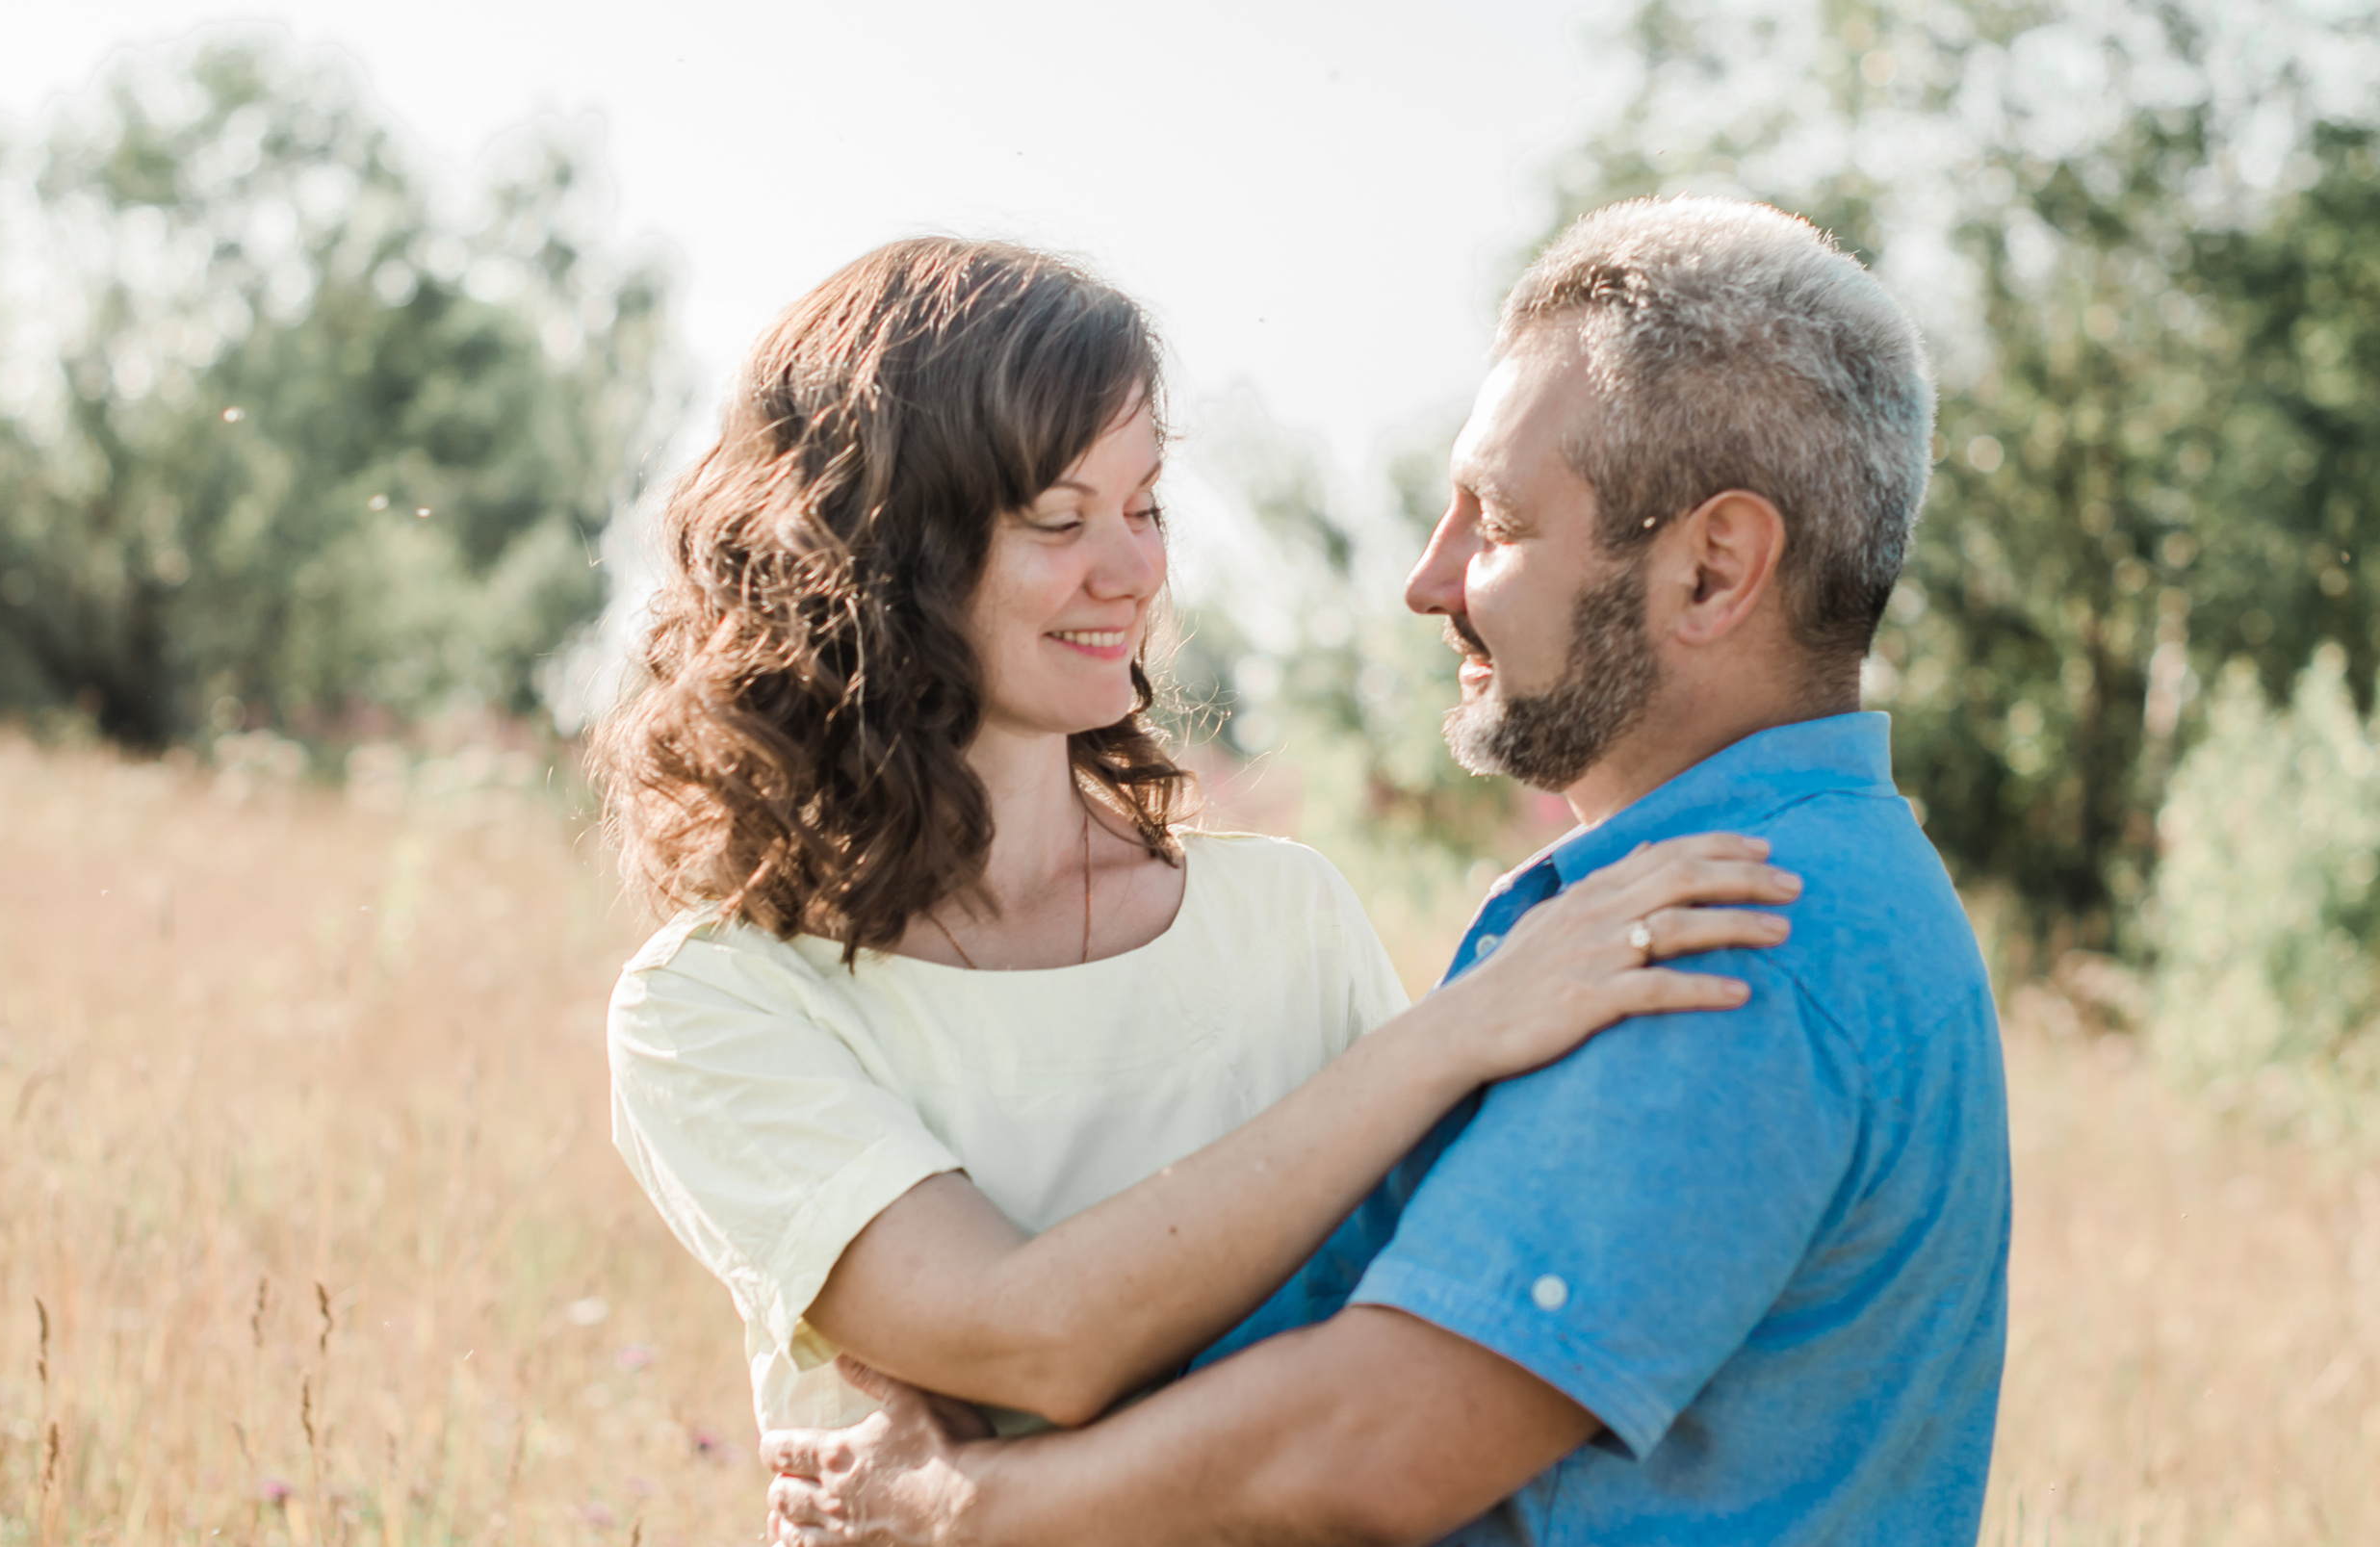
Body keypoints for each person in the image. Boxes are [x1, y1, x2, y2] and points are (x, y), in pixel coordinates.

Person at [762, 198, 2012, 1547]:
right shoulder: (1746, 893)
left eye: (1499, 518)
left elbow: (1377, 1442)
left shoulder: (1732, 934)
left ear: (1714, 569)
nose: (1431, 577)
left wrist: (974, 1502)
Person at [595, 237, 1802, 1447]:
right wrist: (1458, 1029)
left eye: (1143, 506)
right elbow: (1029, 1343)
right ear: (877, 559)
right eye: (1057, 519)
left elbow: (1397, 1359)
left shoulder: (1283, 919)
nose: (1131, 572)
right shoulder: (719, 1006)